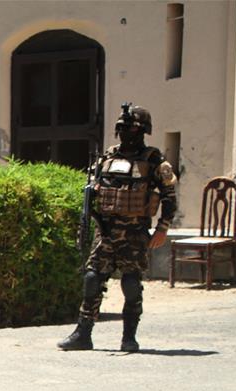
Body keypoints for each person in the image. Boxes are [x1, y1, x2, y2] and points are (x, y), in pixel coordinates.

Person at [58, 103, 176, 352]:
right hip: (106, 231)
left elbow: (169, 195)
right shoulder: (108, 157)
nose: (124, 133)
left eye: (130, 128)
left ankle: (129, 337)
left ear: (142, 130)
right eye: (121, 128)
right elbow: (93, 188)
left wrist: (163, 228)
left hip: (134, 234)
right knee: (92, 279)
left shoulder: (153, 160)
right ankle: (83, 333)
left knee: (131, 284)